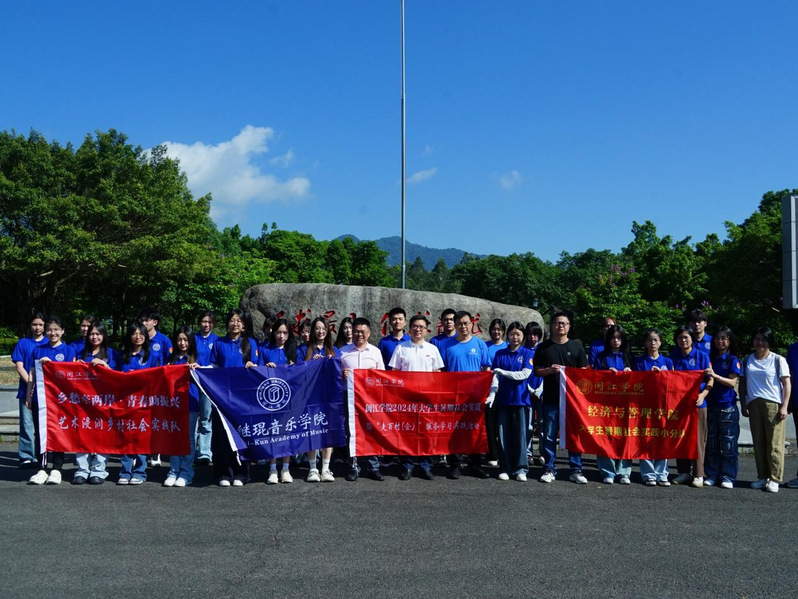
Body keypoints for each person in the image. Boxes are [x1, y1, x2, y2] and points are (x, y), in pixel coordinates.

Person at [534, 311, 589, 484]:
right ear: (552, 326)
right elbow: (537, 371)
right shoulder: (544, 347)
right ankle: (549, 468)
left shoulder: (576, 347)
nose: (560, 326)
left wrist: (571, 373)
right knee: (549, 435)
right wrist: (550, 370)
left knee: (574, 435)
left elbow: (584, 372)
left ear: (569, 327)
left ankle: (576, 469)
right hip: (551, 399)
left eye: (564, 323)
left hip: (573, 401)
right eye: (557, 323)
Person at [389, 314, 444, 480]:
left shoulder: (432, 349)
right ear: (409, 328)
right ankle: (407, 466)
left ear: (426, 330)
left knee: (427, 432)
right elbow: (394, 373)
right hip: (407, 398)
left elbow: (438, 373)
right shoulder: (401, 348)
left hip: (427, 398)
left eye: (421, 327)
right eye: (415, 326)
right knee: (407, 433)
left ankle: (426, 466)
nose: (418, 329)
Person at [209, 309, 259, 487]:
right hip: (221, 396)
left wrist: (252, 365)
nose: (235, 323)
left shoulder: (251, 343)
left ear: (244, 325)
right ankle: (224, 473)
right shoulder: (218, 343)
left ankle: (242, 473)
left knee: (242, 434)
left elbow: (257, 369)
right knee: (222, 435)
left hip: (243, 398)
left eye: (239, 320)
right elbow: (213, 369)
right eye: (232, 320)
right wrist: (198, 369)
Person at [26, 316, 77, 485]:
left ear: (62, 331)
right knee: (40, 432)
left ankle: (57, 468)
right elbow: (32, 373)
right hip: (40, 399)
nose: (52, 332)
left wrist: (53, 365)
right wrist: (29, 394)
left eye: (56, 329)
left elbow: (71, 376)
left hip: (60, 400)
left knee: (58, 432)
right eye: (49, 329)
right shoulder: (38, 349)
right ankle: (41, 468)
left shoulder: (69, 350)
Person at [739, 326, 791, 493]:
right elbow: (742, 383)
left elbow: (787, 383)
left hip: (773, 404)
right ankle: (762, 476)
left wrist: (784, 406)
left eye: (764, 339)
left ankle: (775, 478)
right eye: (757, 339)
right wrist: (744, 404)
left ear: (769, 342)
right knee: (759, 442)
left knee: (774, 443)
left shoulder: (778, 359)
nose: (760, 343)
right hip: (754, 403)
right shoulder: (747, 359)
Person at [443, 311, 491, 480]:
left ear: (471, 324)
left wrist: (485, 391)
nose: (463, 326)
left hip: (475, 396)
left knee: (474, 430)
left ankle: (475, 465)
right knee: (455, 431)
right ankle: (455, 465)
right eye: (460, 324)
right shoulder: (447, 346)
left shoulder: (479, 344)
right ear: (455, 325)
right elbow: (442, 372)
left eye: (466, 323)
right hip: (455, 396)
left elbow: (486, 369)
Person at [116, 321, 162, 485]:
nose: (137, 337)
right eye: (134, 334)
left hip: (145, 403)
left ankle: (140, 472)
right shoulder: (122, 355)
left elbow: (158, 377)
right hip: (126, 402)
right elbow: (114, 374)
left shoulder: (152, 356)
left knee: (142, 438)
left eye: (141, 334)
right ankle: (125, 471)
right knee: (126, 437)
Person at [341, 317, 386, 482]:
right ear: (352, 332)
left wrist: (374, 374)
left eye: (362, 332)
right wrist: (341, 375)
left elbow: (383, 376)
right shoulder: (343, 352)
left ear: (369, 333)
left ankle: (373, 467)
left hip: (370, 398)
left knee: (371, 430)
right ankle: (353, 466)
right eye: (356, 331)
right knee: (351, 432)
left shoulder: (375, 352)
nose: (359, 335)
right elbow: (334, 376)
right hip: (350, 397)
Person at [489, 322, 534, 482]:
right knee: (503, 435)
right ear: (507, 335)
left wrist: (503, 372)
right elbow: (495, 376)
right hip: (503, 400)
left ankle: (521, 468)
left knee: (520, 435)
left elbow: (524, 375)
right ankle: (505, 467)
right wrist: (492, 393)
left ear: (523, 337)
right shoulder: (500, 353)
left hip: (521, 400)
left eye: (518, 334)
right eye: (512, 334)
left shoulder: (527, 353)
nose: (515, 337)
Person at [670, 326, 713, 487]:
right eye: (680, 338)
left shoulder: (702, 356)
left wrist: (703, 395)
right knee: (680, 437)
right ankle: (683, 472)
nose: (683, 340)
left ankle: (698, 474)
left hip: (698, 403)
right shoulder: (673, 357)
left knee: (698, 439)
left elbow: (710, 380)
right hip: (679, 404)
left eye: (686, 337)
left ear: (692, 339)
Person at [260, 318, 302, 484]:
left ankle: (285, 468)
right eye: (279, 332)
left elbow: (301, 372)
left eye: (285, 333)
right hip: (269, 398)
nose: (281, 336)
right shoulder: (265, 350)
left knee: (286, 433)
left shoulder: (294, 351)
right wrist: (265, 367)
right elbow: (256, 370)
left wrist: (293, 367)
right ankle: (272, 469)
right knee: (272, 432)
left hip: (289, 398)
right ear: (273, 332)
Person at [74, 321, 116, 485]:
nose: (95, 337)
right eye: (92, 333)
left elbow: (118, 377)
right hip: (84, 402)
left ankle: (99, 470)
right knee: (82, 434)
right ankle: (82, 470)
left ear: (104, 335)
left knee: (102, 435)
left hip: (104, 401)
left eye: (98, 334)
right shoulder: (81, 352)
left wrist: (105, 365)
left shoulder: (111, 353)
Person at [633, 328, 674, 486]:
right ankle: (648, 473)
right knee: (645, 438)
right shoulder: (639, 361)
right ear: (645, 343)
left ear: (660, 342)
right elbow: (635, 383)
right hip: (644, 406)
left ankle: (662, 473)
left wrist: (662, 376)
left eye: (655, 340)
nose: (652, 343)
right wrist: (648, 376)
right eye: (649, 340)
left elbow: (673, 383)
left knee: (662, 438)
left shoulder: (667, 362)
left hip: (662, 406)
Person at [593, 325, 633, 484]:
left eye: (619, 338)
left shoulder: (629, 357)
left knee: (626, 436)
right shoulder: (601, 357)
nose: (616, 341)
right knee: (606, 436)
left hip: (626, 403)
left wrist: (631, 373)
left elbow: (641, 380)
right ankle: (607, 471)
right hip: (606, 404)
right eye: (613, 338)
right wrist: (605, 374)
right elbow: (593, 378)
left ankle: (624, 471)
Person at [303, 317, 341, 483]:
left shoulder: (333, 350)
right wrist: (311, 364)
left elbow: (338, 371)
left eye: (323, 328)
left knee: (327, 431)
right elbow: (296, 371)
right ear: (313, 330)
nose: (320, 331)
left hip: (328, 397)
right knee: (311, 431)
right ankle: (312, 468)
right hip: (309, 397)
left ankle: (325, 468)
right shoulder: (304, 349)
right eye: (317, 328)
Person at [703, 326, 741, 489]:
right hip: (711, 404)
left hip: (727, 406)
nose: (720, 341)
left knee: (728, 444)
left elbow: (732, 382)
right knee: (711, 443)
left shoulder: (732, 359)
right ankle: (712, 474)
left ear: (730, 340)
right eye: (717, 338)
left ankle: (728, 476)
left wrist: (715, 376)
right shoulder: (709, 357)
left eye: (724, 338)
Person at [164, 327, 201, 487]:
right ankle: (173, 471)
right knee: (174, 437)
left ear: (191, 341)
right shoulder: (170, 358)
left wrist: (197, 369)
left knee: (189, 438)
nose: (182, 343)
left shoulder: (196, 358)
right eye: (179, 339)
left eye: (186, 340)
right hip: (173, 403)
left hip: (190, 401)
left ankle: (186, 473)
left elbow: (206, 376)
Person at [11, 312, 48, 469]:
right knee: (27, 424)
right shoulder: (23, 343)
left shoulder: (49, 343)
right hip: (26, 390)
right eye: (34, 324)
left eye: (40, 324)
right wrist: (31, 385)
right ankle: (26, 456)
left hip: (45, 393)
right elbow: (19, 366)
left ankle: (42, 455)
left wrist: (38, 386)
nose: (37, 327)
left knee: (43, 426)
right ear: (30, 326)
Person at [137, 307, 172, 468]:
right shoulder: (138, 339)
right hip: (139, 387)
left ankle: (155, 452)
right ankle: (138, 452)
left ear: (155, 322)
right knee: (140, 421)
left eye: (146, 320)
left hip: (157, 386)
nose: (143, 323)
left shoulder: (164, 341)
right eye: (141, 320)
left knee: (156, 420)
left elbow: (169, 362)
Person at [194, 311, 219, 466]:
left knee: (205, 418)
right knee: (191, 418)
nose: (206, 324)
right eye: (204, 321)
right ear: (199, 323)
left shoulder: (217, 340)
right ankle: (191, 451)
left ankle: (204, 452)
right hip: (191, 382)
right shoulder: (192, 339)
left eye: (209, 322)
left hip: (208, 383)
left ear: (213, 324)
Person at [484, 318, 507, 466]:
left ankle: (505, 453)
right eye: (494, 329)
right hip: (489, 390)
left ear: (503, 331)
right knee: (490, 424)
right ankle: (492, 454)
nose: (496, 332)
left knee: (503, 424)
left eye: (499, 329)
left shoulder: (508, 346)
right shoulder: (485, 346)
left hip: (505, 390)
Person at [524, 321, 545, 466]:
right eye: (530, 334)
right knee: (528, 425)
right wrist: (530, 389)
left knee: (543, 425)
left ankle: (543, 454)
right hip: (526, 392)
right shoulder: (523, 350)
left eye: (536, 334)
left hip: (542, 392)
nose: (533, 337)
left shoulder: (544, 349)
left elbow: (548, 371)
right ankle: (528, 453)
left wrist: (540, 390)